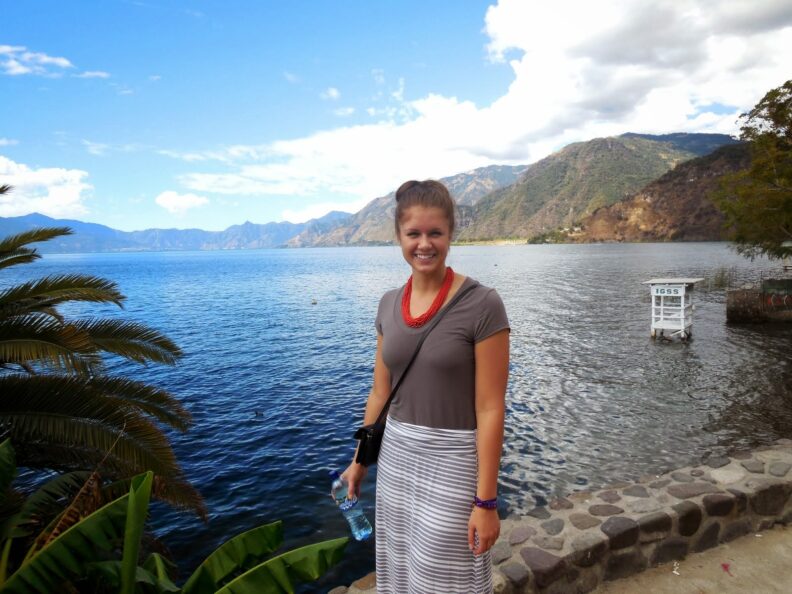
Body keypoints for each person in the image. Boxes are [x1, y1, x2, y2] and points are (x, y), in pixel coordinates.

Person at [342, 179, 510, 593]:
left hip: (454, 460)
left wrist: (486, 502)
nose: (424, 244)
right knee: (401, 568)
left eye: (435, 233)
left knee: (449, 575)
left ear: (451, 234)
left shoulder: (483, 304)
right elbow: (380, 392)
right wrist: (360, 460)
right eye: (413, 233)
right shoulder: (387, 304)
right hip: (397, 456)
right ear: (398, 236)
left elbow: (490, 408)